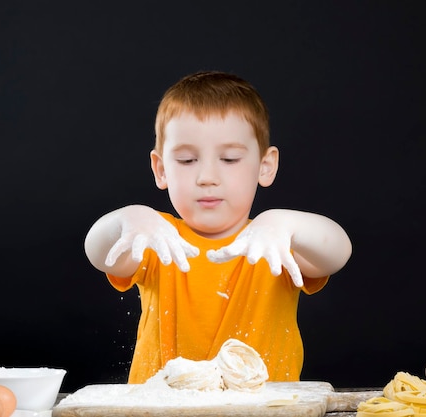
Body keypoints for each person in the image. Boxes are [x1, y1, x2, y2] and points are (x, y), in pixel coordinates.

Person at [84, 70, 352, 384]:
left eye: (229, 158)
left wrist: (285, 222)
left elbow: (338, 252)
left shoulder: (275, 242)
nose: (207, 176)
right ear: (161, 170)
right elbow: (100, 253)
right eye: (186, 160)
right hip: (160, 411)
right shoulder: (156, 238)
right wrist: (126, 220)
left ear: (265, 167)